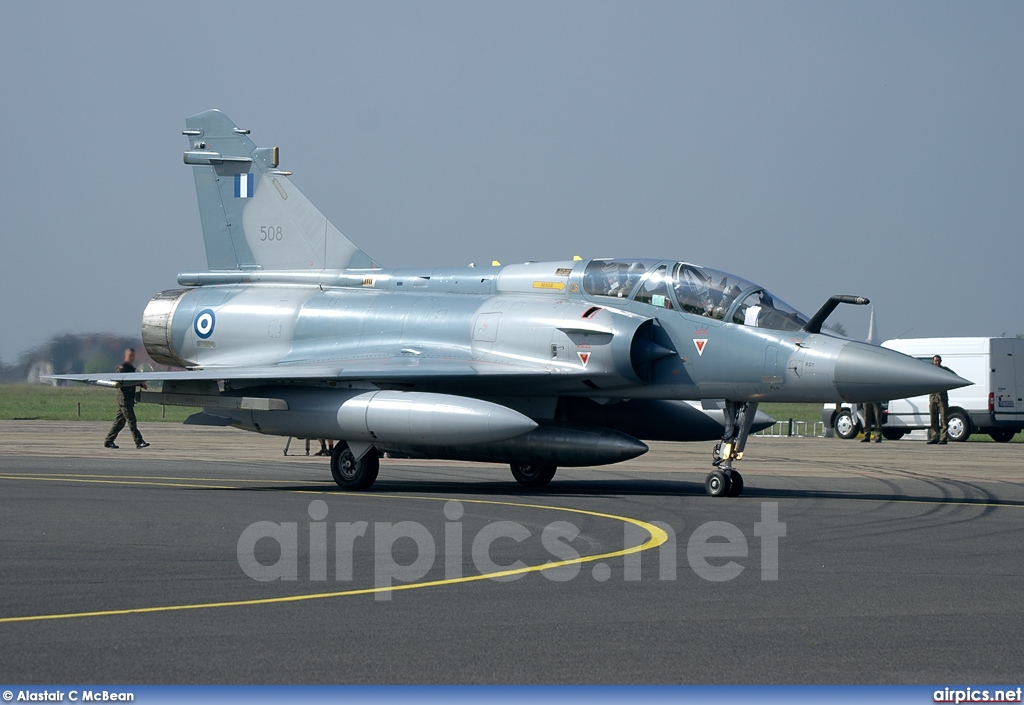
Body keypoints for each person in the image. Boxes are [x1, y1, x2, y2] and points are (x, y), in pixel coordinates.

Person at [104, 348, 150, 449]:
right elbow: (122, 383)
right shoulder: (122, 368)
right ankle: (139, 441)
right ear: (125, 356)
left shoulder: (131, 368)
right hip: (124, 399)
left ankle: (109, 441)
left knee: (119, 423)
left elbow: (131, 381)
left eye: (133, 356)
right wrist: (138, 383)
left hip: (128, 399)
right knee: (132, 421)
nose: (132, 358)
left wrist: (139, 383)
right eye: (130, 356)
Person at [927, 355, 953, 444]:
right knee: (933, 419)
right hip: (933, 398)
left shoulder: (945, 370)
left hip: (942, 398)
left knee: (943, 419)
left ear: (941, 361)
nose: (937, 362)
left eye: (938, 361)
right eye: (935, 361)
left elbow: (954, 376)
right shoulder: (929, 371)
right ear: (933, 361)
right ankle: (934, 437)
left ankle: (944, 437)